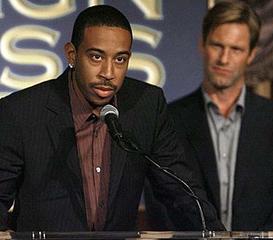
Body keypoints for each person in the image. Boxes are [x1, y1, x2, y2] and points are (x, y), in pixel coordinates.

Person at [0, 5, 224, 232]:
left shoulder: (146, 105)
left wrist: (219, 237)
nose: (108, 73)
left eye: (120, 59)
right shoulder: (21, 112)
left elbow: (184, 193)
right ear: (72, 54)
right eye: (96, 57)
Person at [145, 1, 273, 239]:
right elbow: (161, 205)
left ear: (251, 54)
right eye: (217, 45)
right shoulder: (167, 120)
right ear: (202, 45)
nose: (224, 58)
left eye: (236, 49)